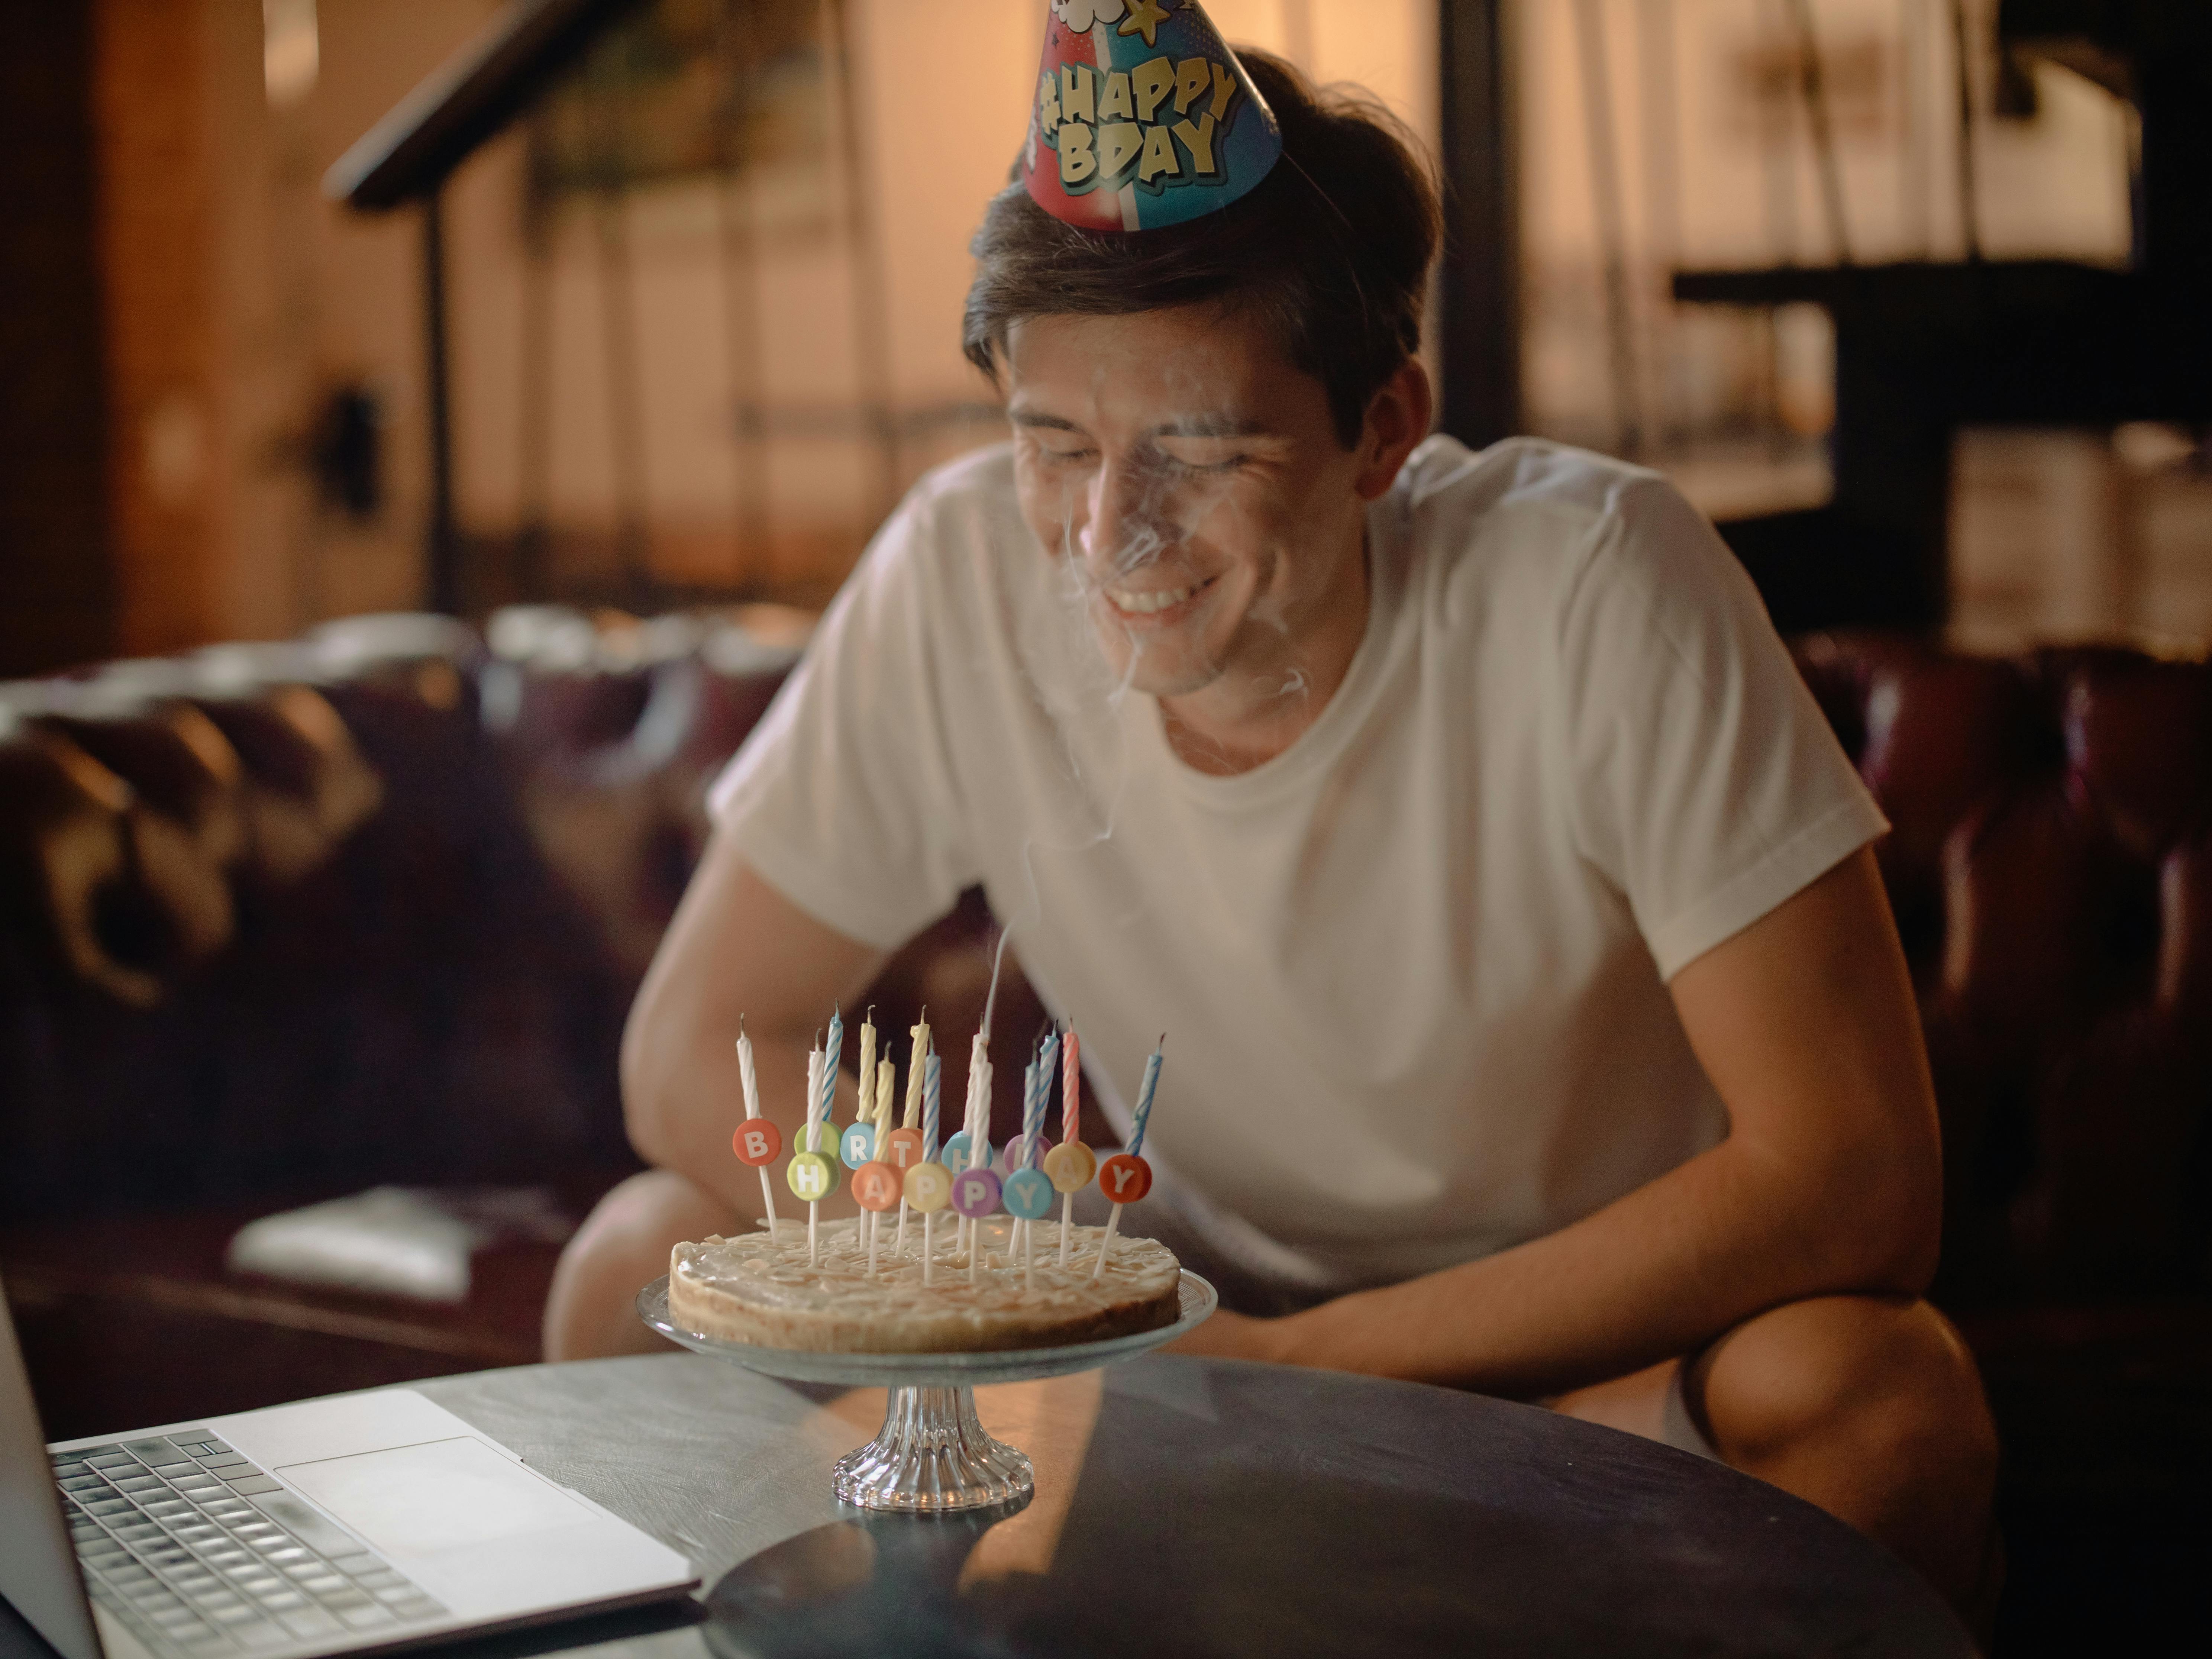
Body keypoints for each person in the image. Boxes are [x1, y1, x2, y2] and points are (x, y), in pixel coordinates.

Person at [545, 4, 1997, 1623]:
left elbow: (1860, 1173)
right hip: (1150, 1365)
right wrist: (1017, 1299)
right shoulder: (954, 573)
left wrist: (1303, 1365)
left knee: (1882, 1393)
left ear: (1382, 426)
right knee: (633, 1259)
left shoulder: (1596, 583)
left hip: (1574, 1366)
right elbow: (684, 1054)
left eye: (1198, 448)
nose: (1111, 534)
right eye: (1057, 446)